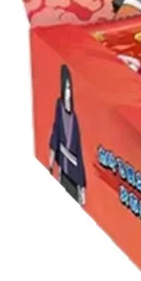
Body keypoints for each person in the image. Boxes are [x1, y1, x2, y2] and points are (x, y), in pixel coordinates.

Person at [48, 65, 87, 205]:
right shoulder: (59, 107)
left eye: (70, 88)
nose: (68, 93)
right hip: (64, 170)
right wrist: (51, 161)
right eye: (66, 88)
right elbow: (56, 133)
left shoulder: (74, 118)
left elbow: (78, 150)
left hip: (74, 174)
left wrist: (82, 186)